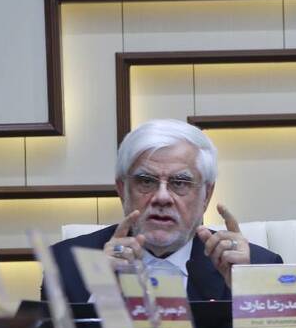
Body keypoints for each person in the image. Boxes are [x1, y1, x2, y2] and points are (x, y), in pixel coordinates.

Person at [47, 119, 281, 303]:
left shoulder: (257, 267)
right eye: (146, 181)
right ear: (122, 189)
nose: (162, 198)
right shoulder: (66, 265)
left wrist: (246, 288)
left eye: (180, 183)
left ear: (206, 195)